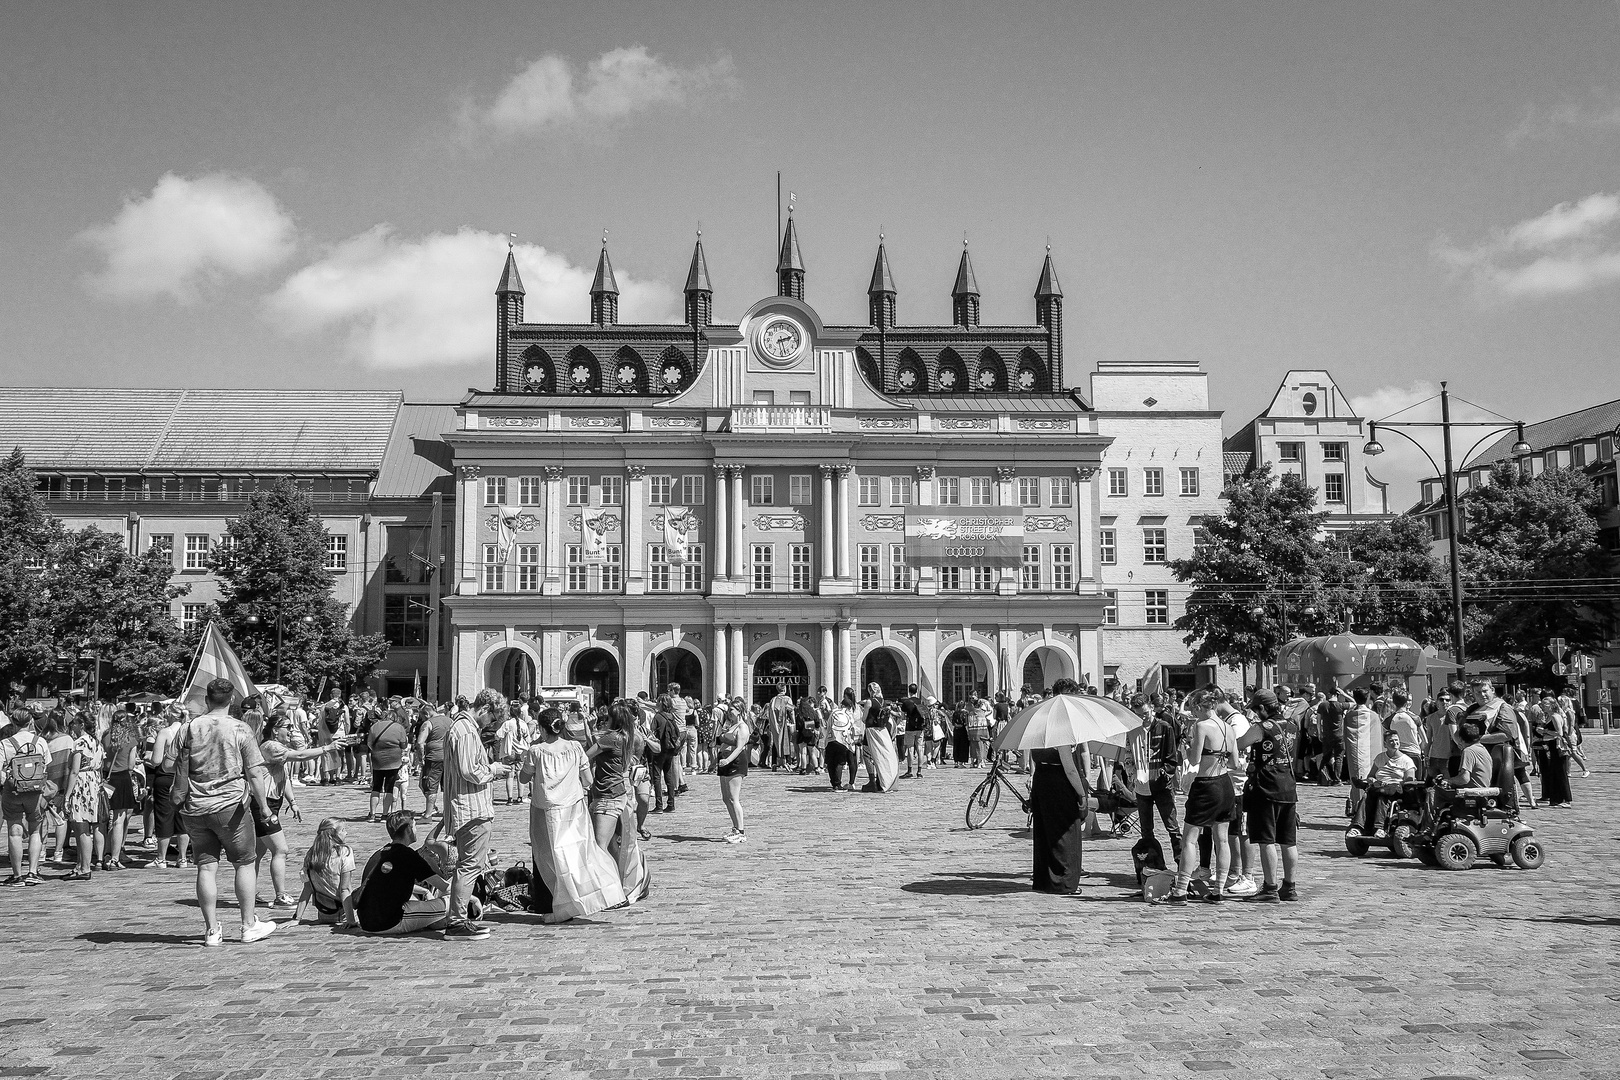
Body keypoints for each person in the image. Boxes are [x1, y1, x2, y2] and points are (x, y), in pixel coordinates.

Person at [162, 678, 278, 946]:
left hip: (194, 807)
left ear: (207, 699)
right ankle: (248, 925)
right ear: (232, 701)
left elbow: (168, 765)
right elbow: (255, 773)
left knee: (206, 866)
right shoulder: (240, 729)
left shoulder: (188, 728)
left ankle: (212, 930)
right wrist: (263, 807)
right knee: (244, 863)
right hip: (230, 807)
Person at [519, 707, 626, 922]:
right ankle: (596, 894)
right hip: (573, 810)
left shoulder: (536, 751)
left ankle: (560, 904)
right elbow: (587, 780)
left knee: (551, 858)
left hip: (546, 811)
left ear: (541, 728)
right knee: (579, 854)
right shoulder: (575, 748)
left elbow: (523, 779)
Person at [440, 691, 512, 939]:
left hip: (467, 806)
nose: (490, 724)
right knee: (470, 865)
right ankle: (457, 922)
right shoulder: (466, 730)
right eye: (491, 718)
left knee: (468, 864)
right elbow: (470, 770)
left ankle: (458, 920)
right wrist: (495, 769)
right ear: (484, 708)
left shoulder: (461, 727)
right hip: (471, 808)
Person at [258, 712, 347, 908]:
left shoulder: (278, 747)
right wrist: (327, 748)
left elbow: (284, 777)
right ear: (275, 730)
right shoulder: (270, 747)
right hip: (263, 805)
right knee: (281, 850)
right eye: (287, 727)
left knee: (257, 852)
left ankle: (250, 890)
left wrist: (293, 802)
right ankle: (280, 895)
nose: (291, 731)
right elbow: (298, 756)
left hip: (272, 802)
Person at [1165, 689, 1238, 905]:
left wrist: (1186, 746)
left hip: (1207, 784)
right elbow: (1234, 763)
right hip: (1225, 784)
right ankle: (1218, 890)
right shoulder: (1228, 727)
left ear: (1199, 707)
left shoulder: (1201, 725)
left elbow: (1194, 759)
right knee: (1222, 839)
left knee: (1190, 838)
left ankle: (1180, 890)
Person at [587, 701, 653, 891]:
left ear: (613, 720)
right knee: (616, 842)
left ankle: (612, 887)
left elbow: (586, 756)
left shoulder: (610, 738)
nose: (605, 720)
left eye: (607, 717)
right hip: (620, 792)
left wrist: (589, 727)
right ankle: (627, 881)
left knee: (600, 845)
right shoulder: (628, 737)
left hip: (607, 794)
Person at [354, 811, 452, 934]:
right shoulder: (408, 855)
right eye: (415, 826)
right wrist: (472, 898)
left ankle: (432, 919)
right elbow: (444, 887)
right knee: (452, 900)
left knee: (421, 903)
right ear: (409, 830)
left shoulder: (379, 853)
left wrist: (425, 891)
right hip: (390, 921)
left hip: (365, 920)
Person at [1244, 689, 1300, 903]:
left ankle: (1270, 888)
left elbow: (1239, 743)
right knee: (1288, 841)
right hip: (1289, 786)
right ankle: (1290, 887)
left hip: (1266, 787)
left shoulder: (1262, 728)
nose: (1255, 714)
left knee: (1266, 839)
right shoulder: (1292, 726)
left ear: (1263, 708)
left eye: (1256, 710)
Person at [1028, 737, 1091, 895]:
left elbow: (1032, 759)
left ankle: (1045, 880)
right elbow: (1069, 769)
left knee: (1045, 832)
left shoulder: (1037, 733)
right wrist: (1081, 793)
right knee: (1066, 833)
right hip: (1058, 783)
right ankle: (1064, 882)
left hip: (1041, 781)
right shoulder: (1060, 735)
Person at [1129, 693, 1183, 863]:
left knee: (1172, 826)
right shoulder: (1132, 730)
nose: (1142, 718)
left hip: (1161, 785)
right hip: (1141, 786)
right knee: (1146, 830)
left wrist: (1165, 773)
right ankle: (1150, 863)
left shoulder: (1164, 727)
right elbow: (1128, 755)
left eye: (1145, 713)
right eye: (1138, 715)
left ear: (1151, 708)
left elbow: (1172, 757)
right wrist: (1131, 775)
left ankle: (1181, 863)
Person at [2, 706, 51, 887]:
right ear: (30, 721)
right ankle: (32, 871)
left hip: (13, 791)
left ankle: (17, 875)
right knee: (35, 830)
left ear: (13, 722)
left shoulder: (6, 744)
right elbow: (46, 767)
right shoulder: (41, 742)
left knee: (14, 831)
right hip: (35, 791)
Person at [1348, 728, 1416, 840]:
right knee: (1366, 796)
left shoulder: (1406, 761)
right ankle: (1358, 827)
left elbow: (1410, 780)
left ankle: (1379, 827)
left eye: (1396, 740)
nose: (1395, 743)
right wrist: (1373, 780)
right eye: (1391, 741)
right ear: (1385, 744)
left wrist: (1397, 783)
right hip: (1378, 786)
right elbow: (1371, 776)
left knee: (1382, 797)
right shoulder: (1380, 757)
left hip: (1395, 789)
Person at [146, 706, 191, 870]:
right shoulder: (189, 730)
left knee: (164, 816)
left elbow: (156, 760)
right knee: (182, 816)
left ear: (170, 715)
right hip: (184, 777)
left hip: (166, 776)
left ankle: (161, 858)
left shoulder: (165, 733)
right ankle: (183, 857)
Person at [63, 714, 104, 882]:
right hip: (93, 783)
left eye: (74, 723)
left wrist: (66, 795)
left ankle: (84, 867)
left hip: (82, 784)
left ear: (81, 724)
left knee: (81, 827)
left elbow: (74, 770)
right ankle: (80, 865)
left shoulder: (80, 742)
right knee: (83, 826)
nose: (71, 726)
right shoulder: (96, 742)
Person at [101, 709, 143, 870]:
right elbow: (131, 764)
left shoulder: (106, 735)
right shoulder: (130, 739)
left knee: (105, 817)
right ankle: (115, 857)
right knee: (119, 819)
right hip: (123, 777)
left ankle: (104, 852)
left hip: (107, 778)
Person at [295, 818, 356, 927]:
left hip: (323, 911)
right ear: (331, 835)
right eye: (343, 830)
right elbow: (344, 889)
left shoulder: (312, 854)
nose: (346, 833)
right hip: (342, 911)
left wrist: (297, 918)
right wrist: (351, 921)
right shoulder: (344, 852)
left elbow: (307, 888)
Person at [365, 705, 412, 821]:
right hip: (393, 759)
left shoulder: (374, 727)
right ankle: (385, 815)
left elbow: (369, 743)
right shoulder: (399, 728)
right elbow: (404, 745)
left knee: (376, 786)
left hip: (377, 759)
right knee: (389, 787)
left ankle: (372, 814)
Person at [714, 698, 750, 842]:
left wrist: (728, 760)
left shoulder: (742, 727)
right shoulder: (731, 725)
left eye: (732, 710)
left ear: (739, 711)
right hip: (724, 761)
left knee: (734, 798)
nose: (729, 712)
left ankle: (741, 831)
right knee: (726, 798)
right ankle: (735, 827)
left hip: (735, 762)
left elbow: (740, 747)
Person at [1530, 691, 1572, 808]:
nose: (1542, 706)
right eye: (1542, 704)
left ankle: (1565, 798)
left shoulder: (1555, 716)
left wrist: (1544, 731)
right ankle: (1556, 798)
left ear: (1552, 705)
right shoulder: (1549, 716)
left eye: (1545, 704)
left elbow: (1559, 733)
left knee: (1560, 772)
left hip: (1557, 746)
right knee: (1554, 772)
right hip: (1551, 746)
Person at [859, 683, 900, 793]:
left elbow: (864, 719)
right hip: (882, 731)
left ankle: (872, 780)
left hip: (871, 731)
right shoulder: (883, 701)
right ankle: (881, 779)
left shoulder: (869, 702)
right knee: (881, 754)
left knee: (867, 755)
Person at [415, 704, 453, 819]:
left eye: (422, 716)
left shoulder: (428, 723)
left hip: (433, 758)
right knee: (448, 786)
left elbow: (420, 743)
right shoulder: (450, 721)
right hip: (448, 757)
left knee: (429, 785)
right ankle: (449, 812)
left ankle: (428, 814)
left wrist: (421, 758)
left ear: (426, 713)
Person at [648, 695, 683, 814]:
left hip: (660, 749)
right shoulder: (671, 716)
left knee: (657, 776)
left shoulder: (658, 716)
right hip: (670, 749)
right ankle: (671, 804)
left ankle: (658, 805)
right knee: (669, 775)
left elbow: (651, 731)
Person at [823, 688, 859, 792]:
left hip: (831, 739)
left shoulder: (834, 712)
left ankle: (834, 783)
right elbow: (851, 729)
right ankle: (839, 785)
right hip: (843, 741)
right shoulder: (849, 715)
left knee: (831, 762)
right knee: (839, 762)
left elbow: (828, 725)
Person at [1386, 691, 1426, 781]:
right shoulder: (1415, 718)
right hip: (1414, 754)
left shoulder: (1389, 719)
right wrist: (1420, 750)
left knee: (1396, 783)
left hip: (1396, 754)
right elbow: (1425, 740)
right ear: (1406, 702)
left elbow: (1385, 738)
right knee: (1415, 784)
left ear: (1394, 702)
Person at [1447, 717, 1493, 788]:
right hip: (1484, 789)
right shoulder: (1483, 749)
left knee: (1439, 793)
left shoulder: (1468, 751)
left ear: (1461, 739)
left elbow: (1464, 778)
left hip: (1472, 792)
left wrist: (1449, 781)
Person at [899, 684, 927, 779]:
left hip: (910, 727)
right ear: (916, 691)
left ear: (909, 691)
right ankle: (919, 771)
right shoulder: (921, 701)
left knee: (910, 748)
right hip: (920, 728)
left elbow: (902, 717)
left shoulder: (907, 702)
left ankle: (910, 771)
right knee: (920, 748)